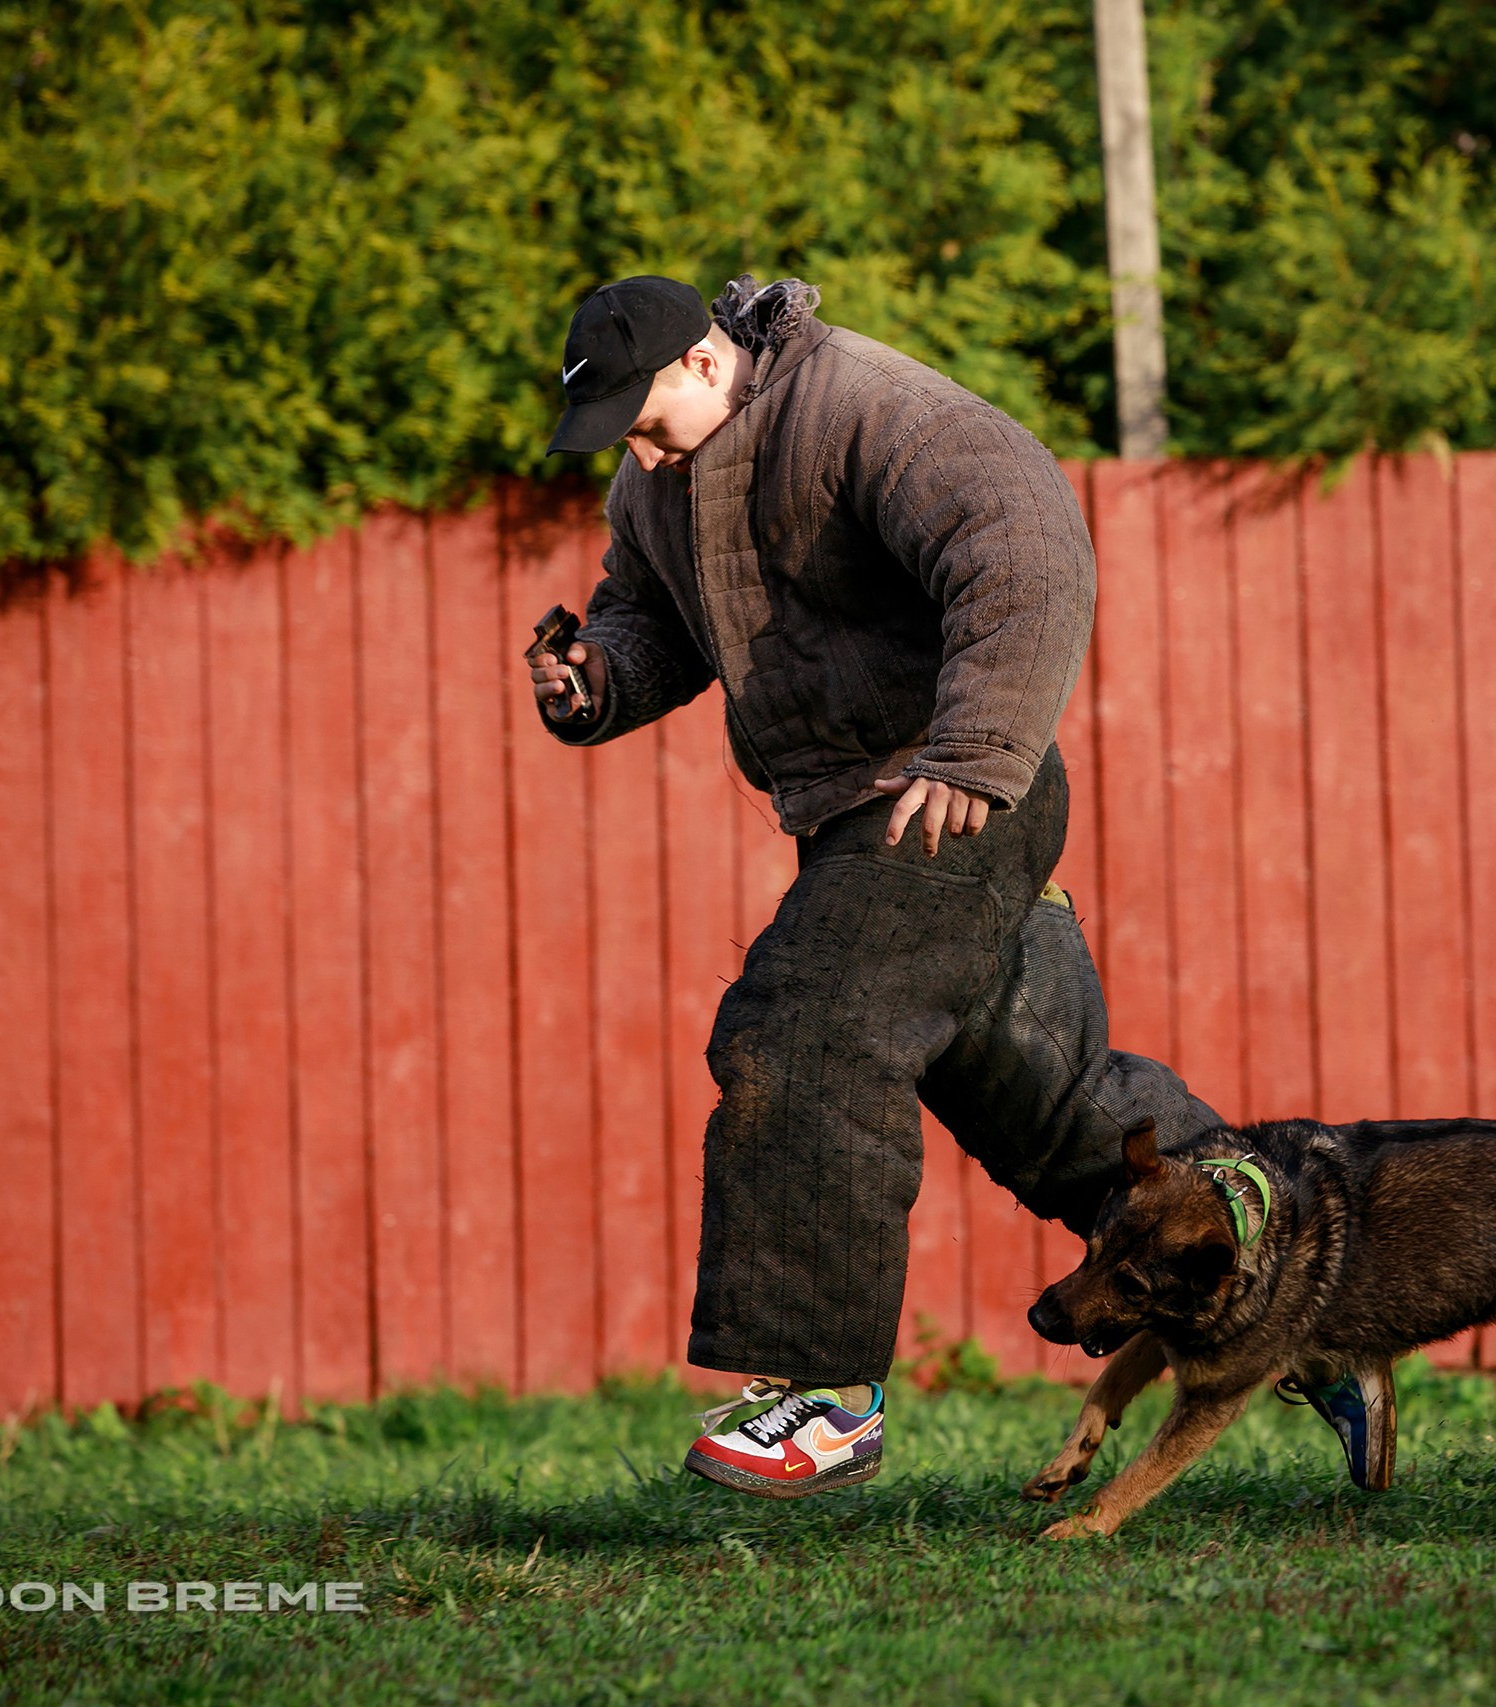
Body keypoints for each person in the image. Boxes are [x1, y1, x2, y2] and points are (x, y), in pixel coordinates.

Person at [529, 273, 1389, 1498]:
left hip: (949, 796)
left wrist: (976, 749)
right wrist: (596, 680)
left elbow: (1025, 541)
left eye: (640, 413)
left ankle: (819, 1396)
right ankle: (1306, 1287)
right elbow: (649, 618)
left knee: (802, 1030)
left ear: (706, 365)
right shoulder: (659, 479)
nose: (630, 443)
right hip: (859, 821)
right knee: (1050, 1105)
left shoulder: (863, 403)